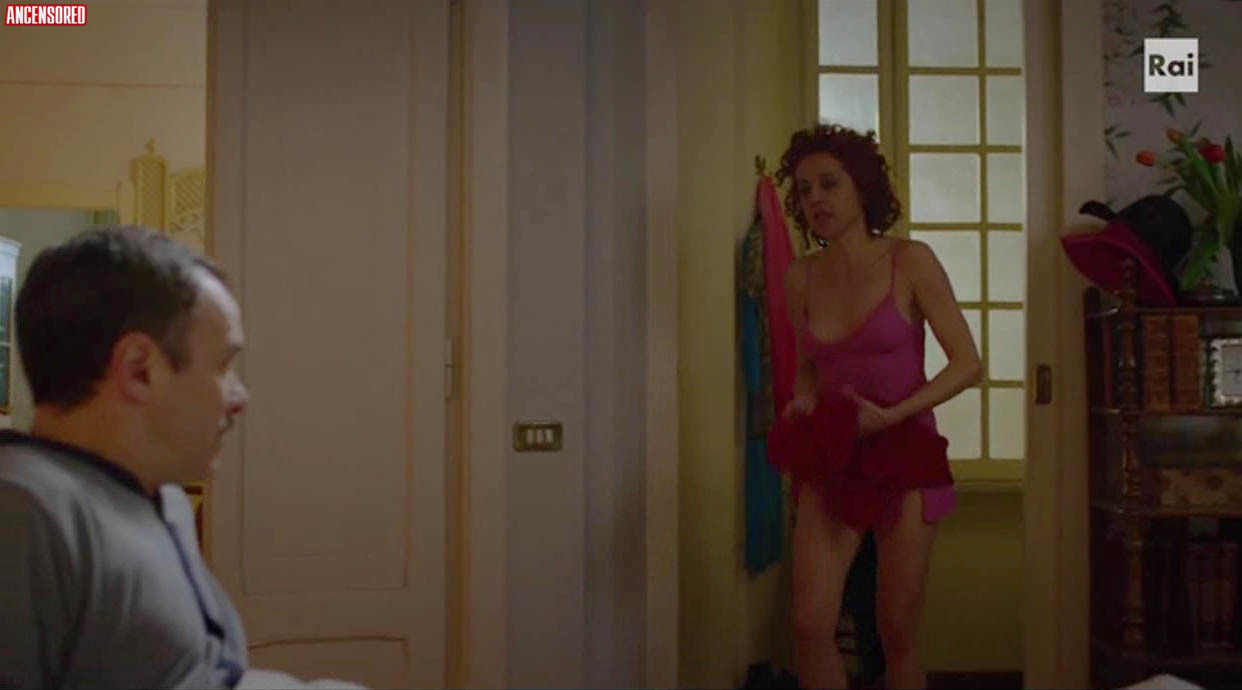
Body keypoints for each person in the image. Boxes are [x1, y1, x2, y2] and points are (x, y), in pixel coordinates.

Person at [0, 226, 361, 690]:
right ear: (139, 370)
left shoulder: (162, 498)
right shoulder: (22, 515)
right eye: (223, 365)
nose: (240, 398)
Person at [775, 124, 982, 689]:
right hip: (833, 452)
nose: (815, 198)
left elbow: (968, 363)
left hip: (905, 451)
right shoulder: (800, 277)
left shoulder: (910, 261)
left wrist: (894, 414)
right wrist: (802, 400)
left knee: (896, 631)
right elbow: (809, 366)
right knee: (810, 623)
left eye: (829, 184)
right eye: (805, 190)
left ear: (861, 187)